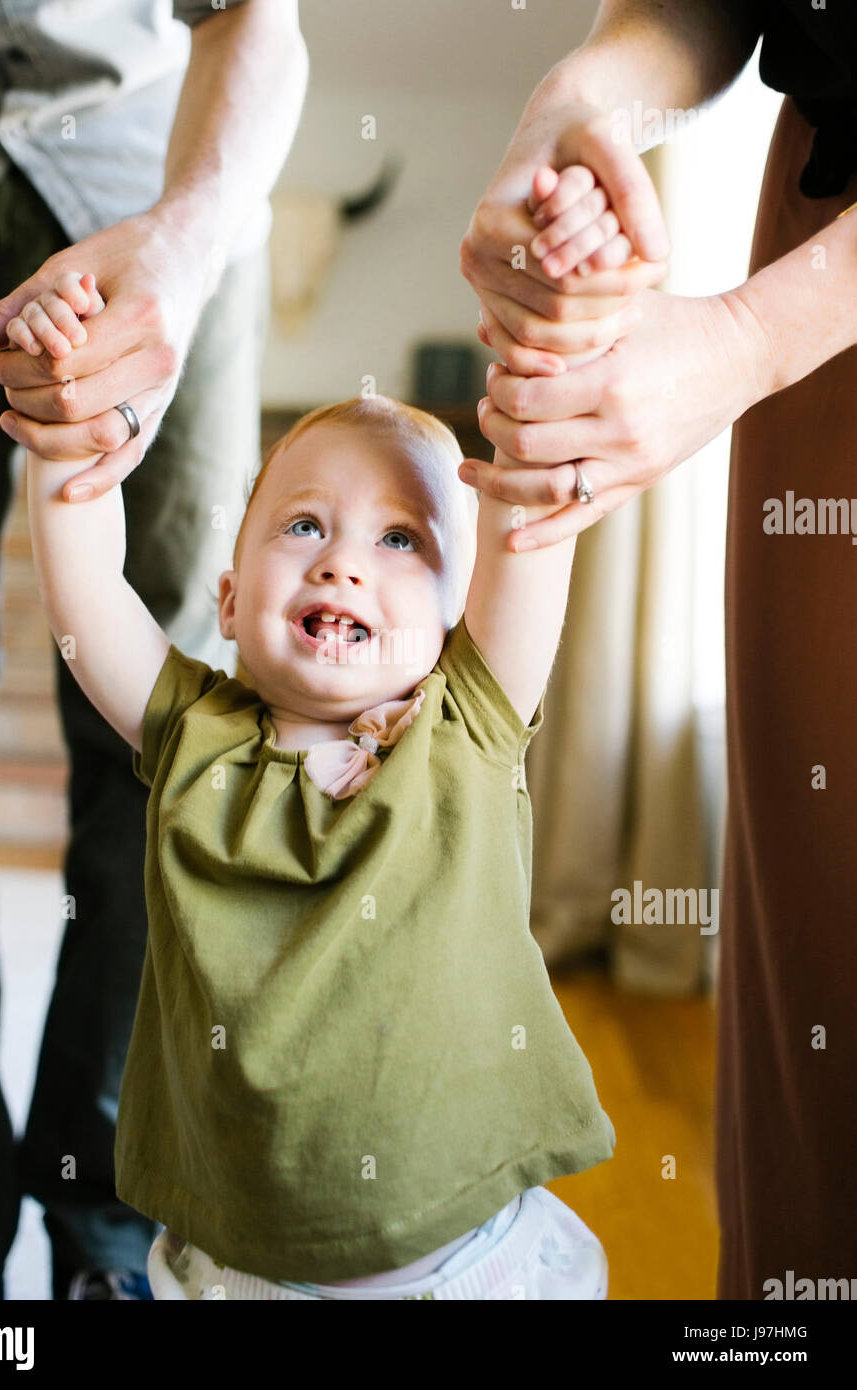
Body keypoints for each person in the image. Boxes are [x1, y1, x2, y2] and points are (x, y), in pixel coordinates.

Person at [13, 170, 634, 1295]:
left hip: (459, 1265)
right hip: (241, 1263)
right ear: (232, 596)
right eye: (301, 523)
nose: (343, 558)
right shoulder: (193, 731)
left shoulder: (464, 725)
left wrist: (546, 333)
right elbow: (87, 594)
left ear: (458, 612)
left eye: (402, 540)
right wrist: (67, 432)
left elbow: (532, 526)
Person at [0, 0, 307, 1300]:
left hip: (162, 189)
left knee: (171, 731)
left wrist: (181, 252)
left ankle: (109, 1224)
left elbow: (256, 20)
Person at [459, 0, 857, 1298]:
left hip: (810, 302)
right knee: (819, 941)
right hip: (828, 200)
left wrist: (749, 336)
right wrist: (574, 111)